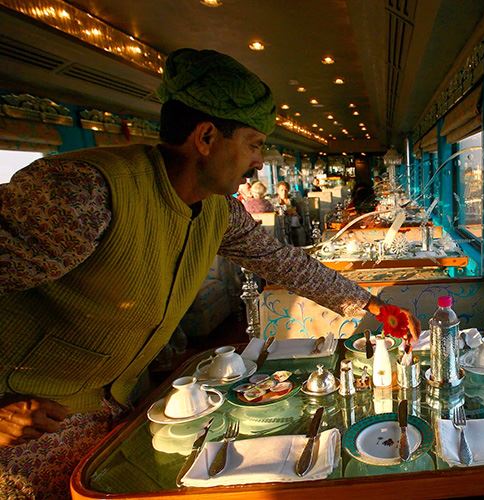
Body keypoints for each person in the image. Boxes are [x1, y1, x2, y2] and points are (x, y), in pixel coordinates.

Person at [0, 48, 419, 498]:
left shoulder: (217, 211)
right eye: (255, 144)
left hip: (129, 407)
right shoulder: (83, 194)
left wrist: (375, 305)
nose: (259, 161)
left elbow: (287, 263)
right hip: (31, 435)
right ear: (206, 137)